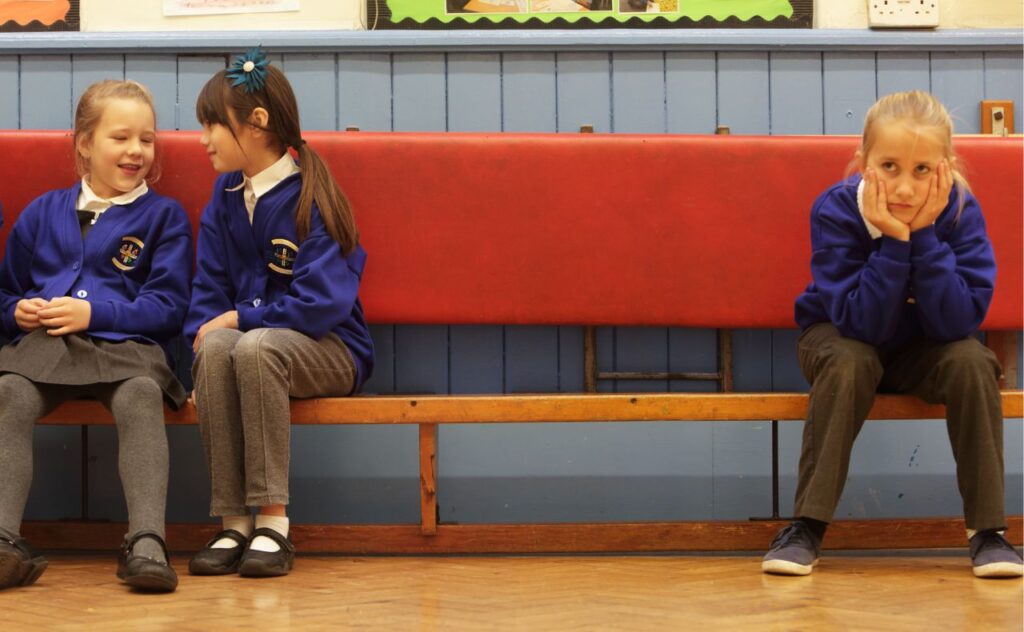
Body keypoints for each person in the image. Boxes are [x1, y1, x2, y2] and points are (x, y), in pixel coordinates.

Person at [761, 90, 1024, 579]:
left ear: (945, 168)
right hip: (839, 336)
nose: (904, 188)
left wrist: (922, 237)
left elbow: (958, 324)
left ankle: (989, 532)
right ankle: (806, 527)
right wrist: (894, 244)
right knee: (851, 360)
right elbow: (860, 324)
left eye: (922, 169)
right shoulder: (836, 210)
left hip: (923, 348)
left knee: (972, 361)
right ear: (862, 163)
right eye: (889, 166)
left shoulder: (961, 212)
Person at [185, 47, 374, 578]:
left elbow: (320, 306)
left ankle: (272, 523)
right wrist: (202, 354)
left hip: (332, 350)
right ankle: (232, 523)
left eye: (212, 126)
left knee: (254, 343)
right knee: (222, 345)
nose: (203, 140)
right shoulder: (223, 199)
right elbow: (207, 294)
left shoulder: (313, 198)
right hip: (252, 348)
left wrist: (243, 318)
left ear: (257, 124)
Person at [0, 80, 192, 592]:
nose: (136, 151)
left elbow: (168, 307)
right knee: (9, 392)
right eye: (121, 137)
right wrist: (15, 311)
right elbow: (5, 290)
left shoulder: (164, 217)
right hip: (44, 351)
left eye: (146, 140)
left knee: (141, 397)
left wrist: (93, 313)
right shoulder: (42, 212)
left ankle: (147, 541)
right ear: (84, 143)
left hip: (127, 351)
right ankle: (2, 541)